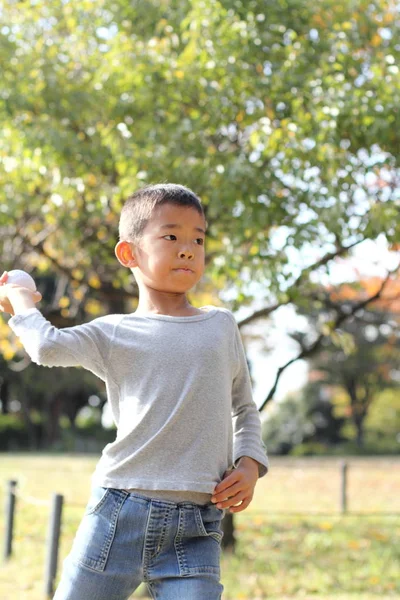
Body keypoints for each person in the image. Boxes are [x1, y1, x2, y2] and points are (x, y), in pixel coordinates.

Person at [0, 183, 268, 600]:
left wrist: (249, 464)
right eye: (171, 236)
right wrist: (21, 299)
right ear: (129, 254)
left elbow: (244, 407)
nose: (188, 249)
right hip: (120, 514)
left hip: (198, 526)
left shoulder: (220, 326)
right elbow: (47, 347)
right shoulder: (114, 332)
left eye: (198, 238)